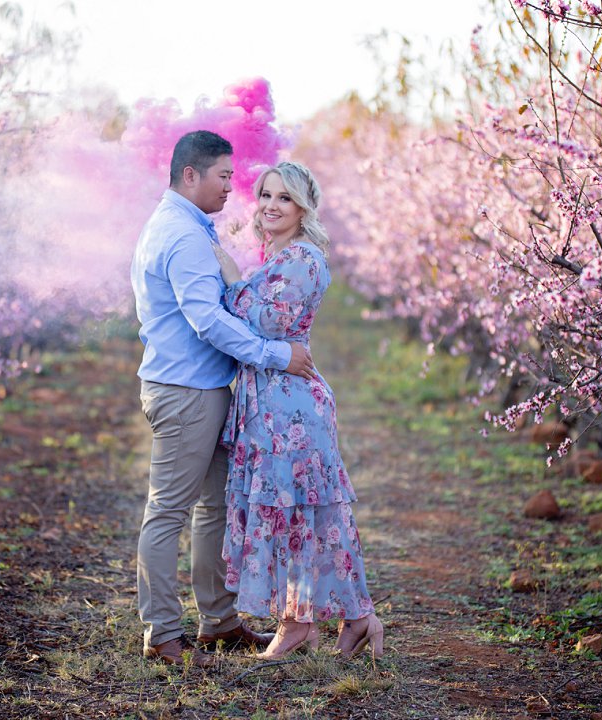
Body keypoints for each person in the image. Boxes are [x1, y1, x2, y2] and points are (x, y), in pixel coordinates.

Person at [130, 131, 316, 667]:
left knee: (214, 508)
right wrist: (274, 354)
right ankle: (163, 635)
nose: (233, 187)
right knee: (168, 511)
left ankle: (219, 622)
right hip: (187, 392)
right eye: (223, 176)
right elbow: (206, 319)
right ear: (191, 174)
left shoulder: (181, 226)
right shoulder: (183, 236)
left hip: (203, 388)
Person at [210, 161, 384, 661]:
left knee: (301, 515)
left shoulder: (304, 259)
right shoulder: (277, 256)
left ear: (303, 207)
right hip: (269, 405)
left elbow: (267, 321)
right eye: (265, 194)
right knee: (297, 517)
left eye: (284, 198)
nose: (270, 205)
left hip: (291, 408)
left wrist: (229, 279)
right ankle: (339, 620)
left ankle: (316, 622)